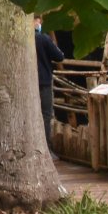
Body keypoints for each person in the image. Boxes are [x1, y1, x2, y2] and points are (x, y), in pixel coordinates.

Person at [34, 15, 65, 155]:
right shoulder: (43, 38)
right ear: (37, 21)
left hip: (32, 82)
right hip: (44, 81)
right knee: (46, 115)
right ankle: (46, 148)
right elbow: (59, 56)